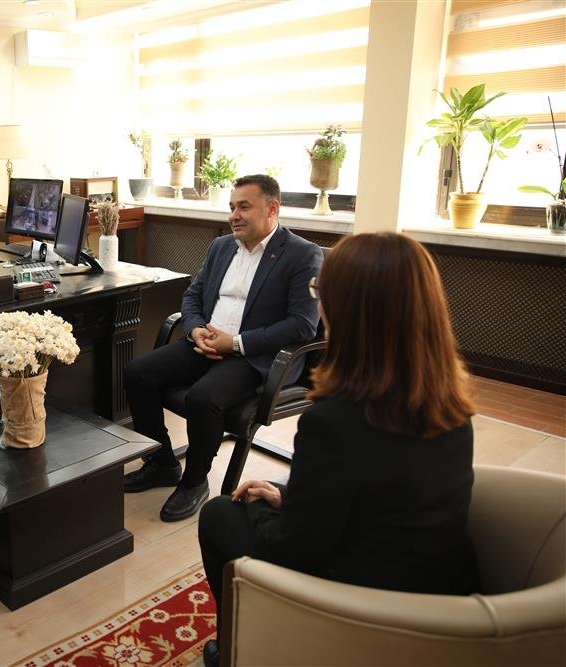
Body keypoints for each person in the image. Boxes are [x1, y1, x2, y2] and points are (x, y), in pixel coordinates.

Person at [196, 232, 479, 667]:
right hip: (442, 591)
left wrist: (260, 509)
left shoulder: (333, 421)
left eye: (319, 292)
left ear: (350, 310)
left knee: (219, 514)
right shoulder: (451, 403)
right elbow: (387, 494)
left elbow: (295, 550)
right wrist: (289, 498)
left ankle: (242, 650)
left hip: (365, 605)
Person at [123, 174, 323, 522]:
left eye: (244, 207)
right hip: (207, 342)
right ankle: (161, 463)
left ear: (272, 209)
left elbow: (303, 325)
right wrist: (195, 329)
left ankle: (195, 481)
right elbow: (193, 295)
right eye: (232, 207)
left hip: (256, 357)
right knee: (137, 372)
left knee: (203, 397)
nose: (234, 216)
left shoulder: (302, 254)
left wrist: (237, 343)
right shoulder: (221, 246)